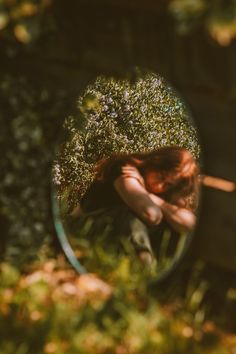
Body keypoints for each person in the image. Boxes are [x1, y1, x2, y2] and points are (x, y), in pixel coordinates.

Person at [73, 146, 199, 265]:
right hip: (81, 230)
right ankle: (145, 271)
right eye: (161, 177)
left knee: (175, 227)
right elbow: (151, 215)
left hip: (114, 244)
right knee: (129, 217)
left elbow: (190, 225)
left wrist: (153, 197)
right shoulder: (124, 168)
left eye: (168, 185)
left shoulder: (161, 194)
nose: (160, 186)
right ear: (152, 163)